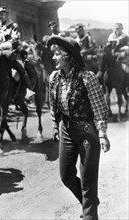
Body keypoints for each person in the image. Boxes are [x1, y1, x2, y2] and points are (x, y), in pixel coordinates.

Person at [47, 35, 110, 220]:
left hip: (87, 132)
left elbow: (99, 108)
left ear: (67, 56)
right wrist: (55, 126)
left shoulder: (87, 77)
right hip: (66, 129)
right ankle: (89, 203)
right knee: (66, 175)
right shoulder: (54, 78)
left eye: (56, 54)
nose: (53, 58)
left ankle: (90, 213)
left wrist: (103, 134)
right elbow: (53, 104)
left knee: (88, 181)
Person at [0, 6, 33, 101]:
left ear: (7, 15)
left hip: (12, 51)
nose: (0, 16)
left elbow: (15, 40)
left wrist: (0, 46)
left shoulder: (14, 26)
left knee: (19, 69)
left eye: (2, 14)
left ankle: (28, 90)